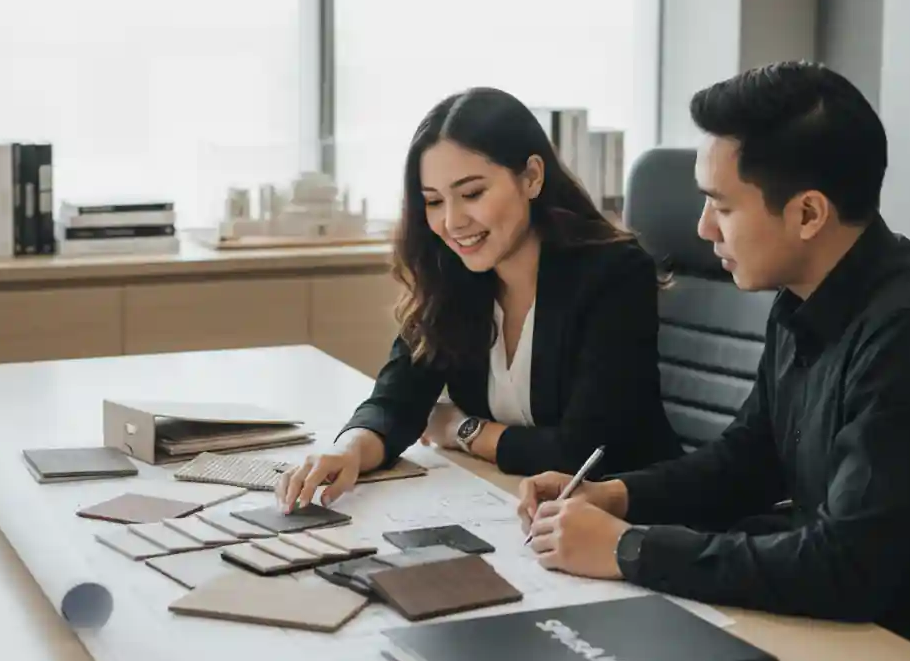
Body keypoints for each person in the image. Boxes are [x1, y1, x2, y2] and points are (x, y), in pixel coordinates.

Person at [519, 61, 910, 661]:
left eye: (722, 207)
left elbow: (847, 566)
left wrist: (630, 549)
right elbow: (748, 460)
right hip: (829, 629)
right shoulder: (802, 297)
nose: (703, 228)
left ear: (808, 214)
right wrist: (615, 497)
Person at [277, 86, 682, 510]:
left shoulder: (614, 274)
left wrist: (462, 430)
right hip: (514, 502)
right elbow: (397, 400)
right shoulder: (456, 274)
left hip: (630, 520)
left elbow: (581, 453)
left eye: (472, 194)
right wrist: (348, 450)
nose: (452, 222)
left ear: (532, 177)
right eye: (434, 201)